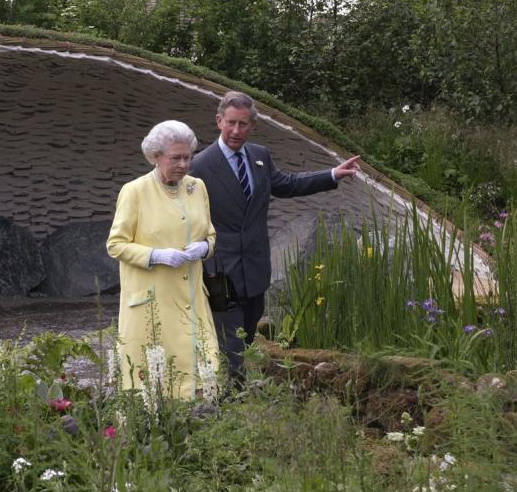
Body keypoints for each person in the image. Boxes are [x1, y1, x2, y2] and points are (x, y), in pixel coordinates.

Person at [189, 91, 361, 386]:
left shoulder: (259, 156)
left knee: (247, 337)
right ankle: (231, 404)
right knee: (232, 350)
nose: (236, 131)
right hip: (221, 273)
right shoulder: (199, 165)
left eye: (243, 124)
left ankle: (236, 401)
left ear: (252, 125)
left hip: (255, 269)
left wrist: (332, 174)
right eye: (231, 123)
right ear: (219, 121)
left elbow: (287, 184)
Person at [107, 120, 221, 401]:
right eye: (175, 158)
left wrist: (203, 248)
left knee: (201, 378)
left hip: (191, 298)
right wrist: (156, 255)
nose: (183, 165)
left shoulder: (197, 187)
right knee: (154, 384)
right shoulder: (134, 191)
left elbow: (211, 236)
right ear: (156, 156)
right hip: (152, 302)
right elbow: (116, 245)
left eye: (187, 157)